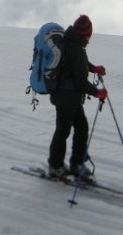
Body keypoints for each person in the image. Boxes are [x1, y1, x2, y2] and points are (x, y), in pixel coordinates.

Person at [48, 14, 108, 179]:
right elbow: (81, 81)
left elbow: (76, 64)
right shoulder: (77, 49)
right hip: (68, 98)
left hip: (62, 94)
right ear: (87, 34)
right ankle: (60, 166)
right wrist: (98, 93)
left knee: (74, 129)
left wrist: (93, 68)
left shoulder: (67, 42)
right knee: (68, 130)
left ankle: (67, 164)